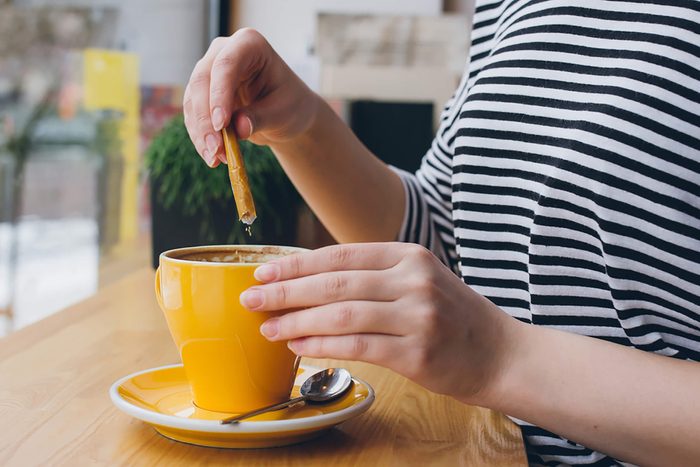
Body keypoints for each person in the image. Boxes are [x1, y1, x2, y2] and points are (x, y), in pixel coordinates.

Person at [182, 1, 700, 465]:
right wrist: (302, 126)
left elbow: (482, 333)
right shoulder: (507, 8)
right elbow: (446, 239)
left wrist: (502, 359)